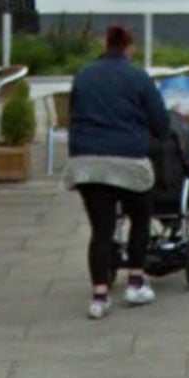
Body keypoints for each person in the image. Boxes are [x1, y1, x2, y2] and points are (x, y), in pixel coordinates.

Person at [63, 25, 171, 319]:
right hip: (127, 160)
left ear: (104, 44)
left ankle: (99, 296)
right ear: (129, 47)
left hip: (86, 163)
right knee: (140, 217)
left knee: (101, 230)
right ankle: (135, 282)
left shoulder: (84, 75)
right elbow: (161, 124)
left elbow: (71, 115)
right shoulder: (138, 77)